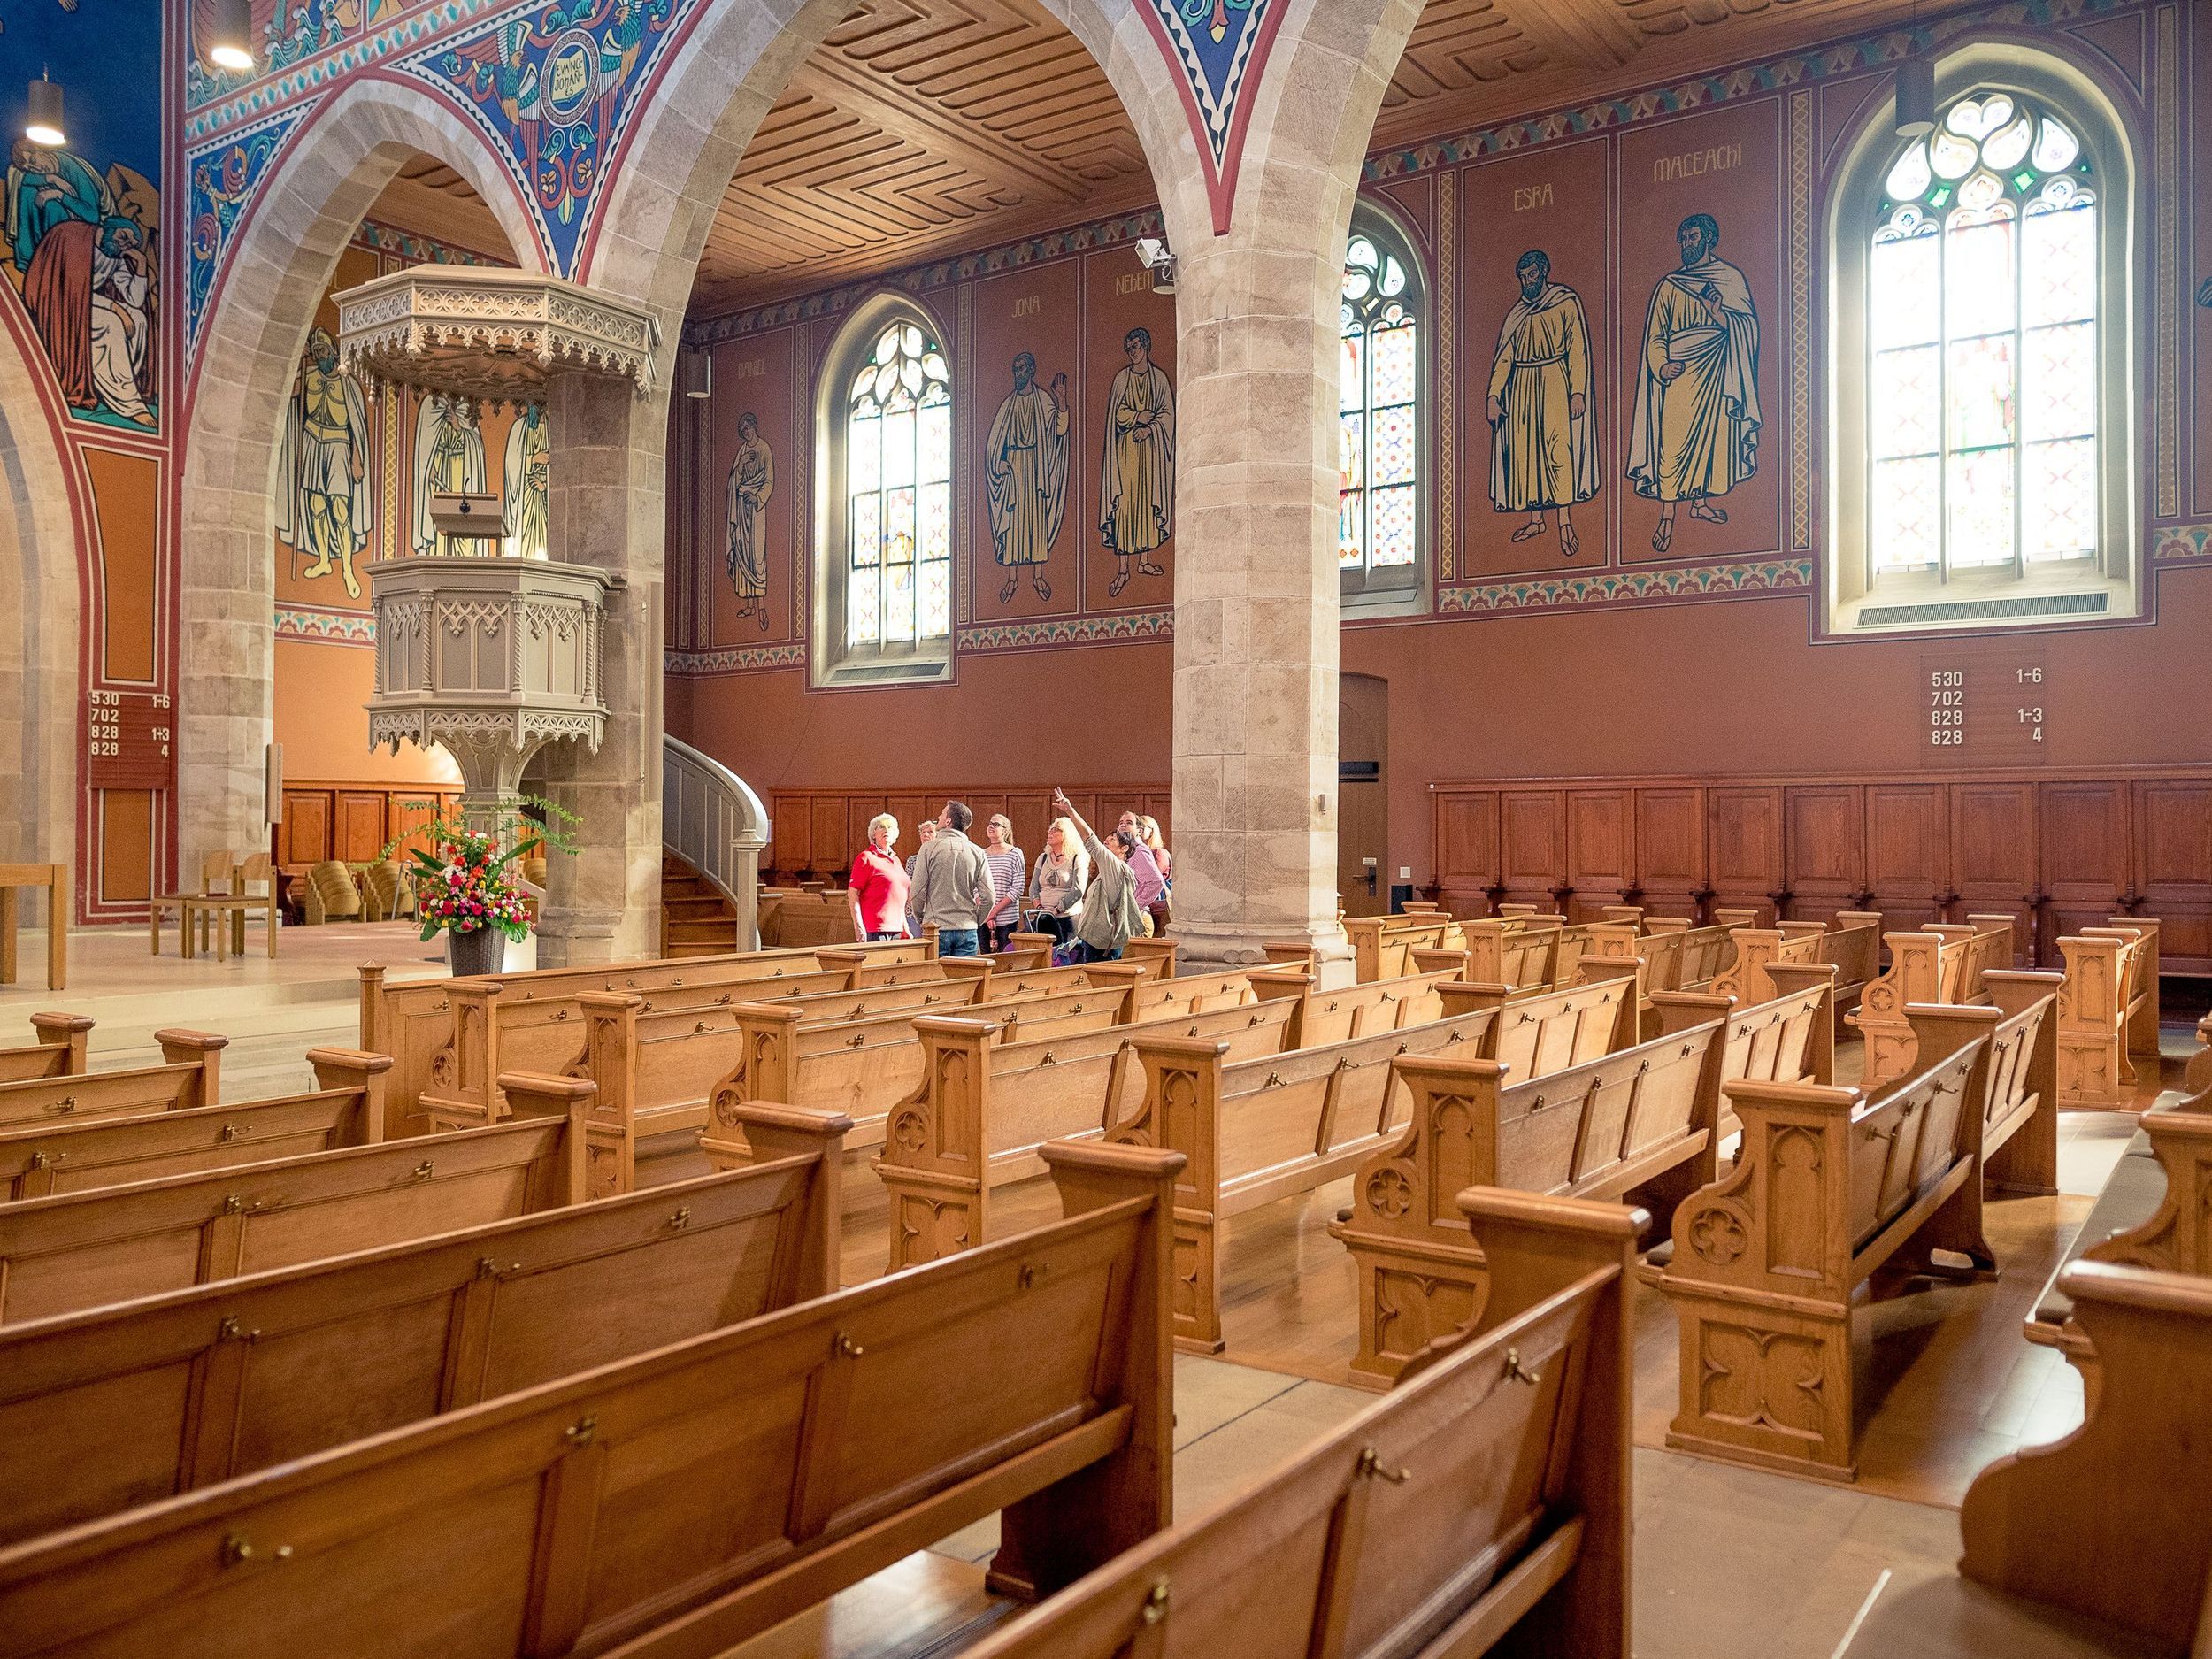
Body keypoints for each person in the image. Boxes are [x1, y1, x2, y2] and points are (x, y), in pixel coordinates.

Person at [1626, 212, 1762, 554]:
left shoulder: (1729, 279)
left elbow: (1748, 329)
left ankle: (1699, 502)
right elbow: (1655, 335)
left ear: (1708, 240)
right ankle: (1667, 513)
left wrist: (1718, 313)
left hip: (1716, 370)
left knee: (1711, 440)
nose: (1686, 244)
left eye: (1693, 237)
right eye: (1683, 238)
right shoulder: (1669, 285)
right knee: (1671, 446)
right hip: (1680, 371)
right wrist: (1662, 364)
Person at [1486, 249, 1599, 559]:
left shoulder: (1565, 302)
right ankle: (1537, 520)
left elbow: (1578, 349)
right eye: (1522, 277)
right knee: (1527, 455)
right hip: (1521, 387)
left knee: (1557, 450)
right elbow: (1505, 358)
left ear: (1544, 272)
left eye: (1532, 275)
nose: (1527, 282)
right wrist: (1493, 396)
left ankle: (1564, 520)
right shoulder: (1517, 315)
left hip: (1554, 382)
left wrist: (1578, 392)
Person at [274, 326, 372, 596]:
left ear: (334, 352)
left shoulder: (347, 383)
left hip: (339, 444)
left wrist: (357, 459)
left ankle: (348, 571)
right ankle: (324, 561)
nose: (320, 356)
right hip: (311, 442)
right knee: (316, 505)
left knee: (340, 510)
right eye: (316, 351)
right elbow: (284, 394)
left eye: (323, 351)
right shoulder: (310, 376)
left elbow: (356, 425)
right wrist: (299, 361)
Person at [985, 352, 1070, 603]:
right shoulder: (1008, 405)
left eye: (1021, 369)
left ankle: (1038, 575)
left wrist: (1062, 401)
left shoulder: (1043, 400)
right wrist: (999, 463)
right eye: (1015, 369)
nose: (1017, 374)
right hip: (1013, 470)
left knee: (1035, 522)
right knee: (1013, 525)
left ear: (1031, 371)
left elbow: (1059, 429)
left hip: (1035, 469)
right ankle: (1012, 578)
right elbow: (993, 445)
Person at [1098, 326, 1175, 597]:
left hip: (1149, 454)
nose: (1132, 352)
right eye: (1129, 348)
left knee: (1145, 504)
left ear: (1146, 347)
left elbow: (1167, 414)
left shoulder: (1159, 379)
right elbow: (1116, 415)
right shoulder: (1122, 379)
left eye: (1136, 347)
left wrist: (1150, 428)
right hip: (1125, 455)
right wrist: (1136, 417)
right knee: (1125, 507)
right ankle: (1123, 568)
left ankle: (1143, 561)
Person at [1057, 791, 1142, 963]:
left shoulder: (1116, 867)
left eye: (1112, 839)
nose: (1106, 841)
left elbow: (1090, 840)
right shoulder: (1115, 869)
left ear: (1124, 849)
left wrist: (1071, 812)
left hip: (1101, 944)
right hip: (1100, 940)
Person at [910, 801, 992, 957]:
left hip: (936, 927)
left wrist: (922, 918)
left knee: (935, 980)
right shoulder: (978, 852)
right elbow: (989, 896)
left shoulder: (928, 848)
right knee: (966, 980)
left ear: (948, 821)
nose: (939, 817)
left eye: (942, 813)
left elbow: (917, 892)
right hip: (967, 928)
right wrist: (975, 920)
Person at [726, 412, 773, 627]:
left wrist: (756, 497)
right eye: (742, 430)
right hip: (740, 509)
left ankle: (762, 608)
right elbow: (733, 481)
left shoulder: (764, 449)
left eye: (747, 428)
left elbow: (769, 480)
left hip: (755, 510)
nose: (745, 432)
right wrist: (740, 466)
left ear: (754, 427)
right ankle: (750, 606)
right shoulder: (742, 452)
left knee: (756, 557)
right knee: (742, 555)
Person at [847, 814, 912, 941]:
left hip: (897, 928)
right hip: (875, 929)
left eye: (890, 827)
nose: (886, 830)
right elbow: (852, 893)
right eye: (881, 827)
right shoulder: (866, 857)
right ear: (873, 834)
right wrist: (858, 926)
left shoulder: (896, 860)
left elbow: (898, 897)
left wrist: (905, 926)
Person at [1025, 817, 1088, 945]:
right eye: (1050, 829)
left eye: (1056, 829)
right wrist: (1040, 908)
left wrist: (1057, 910)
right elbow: (1033, 888)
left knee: (1065, 957)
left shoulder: (1077, 858)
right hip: (1043, 917)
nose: (1050, 832)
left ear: (1067, 834)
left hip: (1068, 918)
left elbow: (1078, 890)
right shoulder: (1042, 858)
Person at [1116, 810, 1168, 936]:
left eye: (1129, 823)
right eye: (1121, 823)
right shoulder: (1126, 851)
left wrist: (1134, 907)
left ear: (1139, 831)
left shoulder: (1139, 851)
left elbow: (1155, 882)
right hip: (1125, 918)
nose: (1123, 825)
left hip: (1137, 919)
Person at [980, 813, 1025, 953]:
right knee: (985, 958)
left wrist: (993, 912)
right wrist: (985, 913)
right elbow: (976, 886)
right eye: (990, 823)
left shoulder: (1015, 853)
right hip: (983, 917)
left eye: (996, 824)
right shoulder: (982, 854)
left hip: (1007, 918)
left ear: (1005, 831)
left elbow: (1017, 888)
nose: (991, 826)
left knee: (1004, 960)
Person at [1138, 816, 1173, 938]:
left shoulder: (1158, 853)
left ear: (1151, 831)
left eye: (1142, 827)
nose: (1138, 830)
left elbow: (1153, 878)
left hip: (1154, 906)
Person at [903, 817, 936, 938]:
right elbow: (908, 886)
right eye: (923, 832)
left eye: (930, 832)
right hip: (914, 913)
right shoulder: (912, 860)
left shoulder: (941, 859)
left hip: (935, 913)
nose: (925, 835)